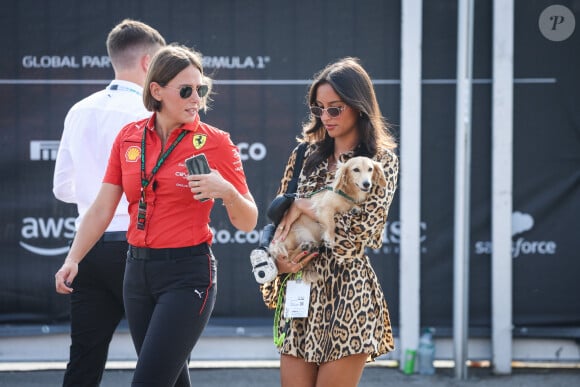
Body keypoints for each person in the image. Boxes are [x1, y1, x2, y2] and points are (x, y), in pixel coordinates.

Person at [55, 43, 258, 386]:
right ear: (157, 90)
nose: (196, 99)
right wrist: (74, 258)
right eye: (186, 90)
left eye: (201, 89)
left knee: (148, 381)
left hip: (187, 275)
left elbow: (248, 219)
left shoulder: (216, 142)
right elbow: (103, 207)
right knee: (172, 380)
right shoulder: (129, 137)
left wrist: (226, 191)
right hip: (136, 273)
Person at [261, 57, 399, 387]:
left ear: (358, 106)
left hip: (347, 294)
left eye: (335, 108)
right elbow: (284, 224)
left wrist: (307, 206)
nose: (326, 117)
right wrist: (277, 266)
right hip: (298, 292)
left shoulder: (380, 162)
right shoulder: (302, 156)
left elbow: (360, 234)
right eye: (319, 108)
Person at [52, 19, 166, 387]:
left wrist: (93, 197)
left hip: (87, 249)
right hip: (139, 248)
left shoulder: (79, 110)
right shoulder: (151, 115)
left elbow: (62, 188)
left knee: (84, 360)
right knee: (161, 360)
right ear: (149, 63)